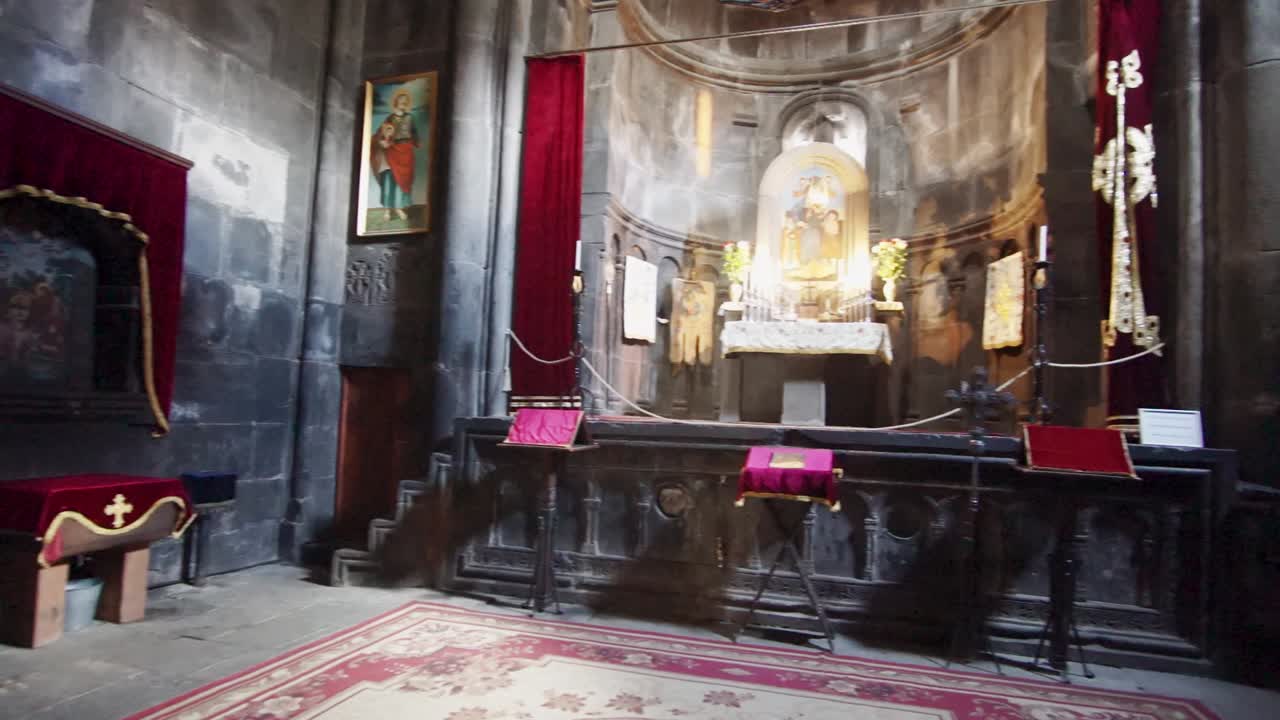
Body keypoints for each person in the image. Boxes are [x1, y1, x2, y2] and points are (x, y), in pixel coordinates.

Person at [372, 88, 420, 223]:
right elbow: (380, 133)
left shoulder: (410, 118)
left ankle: (399, 207)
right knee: (389, 180)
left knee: (403, 181)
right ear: (396, 103)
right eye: (401, 101)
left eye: (405, 102)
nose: (403, 104)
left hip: (406, 151)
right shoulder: (390, 118)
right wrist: (382, 141)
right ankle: (388, 209)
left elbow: (415, 133)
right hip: (392, 151)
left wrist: (415, 142)